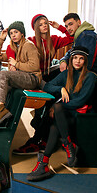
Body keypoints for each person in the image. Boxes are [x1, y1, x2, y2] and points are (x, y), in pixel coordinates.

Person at [27, 46, 97, 181]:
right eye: (75, 58)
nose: (77, 61)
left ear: (85, 61)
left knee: (58, 109)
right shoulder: (67, 74)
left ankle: (47, 161)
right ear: (71, 59)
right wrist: (61, 89)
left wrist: (57, 107)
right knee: (55, 124)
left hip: (80, 115)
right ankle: (51, 158)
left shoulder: (90, 77)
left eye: (81, 58)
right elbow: (47, 86)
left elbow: (80, 101)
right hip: (64, 115)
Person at [12, 14, 74, 155]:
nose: (44, 26)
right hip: (37, 76)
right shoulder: (31, 41)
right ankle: (40, 133)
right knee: (43, 105)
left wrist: (60, 27)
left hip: (48, 75)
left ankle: (42, 136)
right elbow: (15, 48)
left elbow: (71, 38)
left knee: (49, 101)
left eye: (45, 23)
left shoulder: (54, 39)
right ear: (35, 28)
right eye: (40, 24)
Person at [0, 21, 41, 129]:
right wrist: (1, 39)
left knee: (3, 74)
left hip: (32, 78)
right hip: (21, 77)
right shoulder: (15, 48)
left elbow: (35, 66)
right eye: (11, 33)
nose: (13, 35)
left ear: (22, 34)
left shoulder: (29, 45)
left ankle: (0, 109)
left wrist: (17, 64)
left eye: (16, 32)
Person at [59, 13, 97, 77]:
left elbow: (86, 64)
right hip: (87, 76)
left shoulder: (87, 36)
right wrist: (63, 60)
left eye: (71, 24)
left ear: (79, 22)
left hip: (92, 77)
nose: (68, 28)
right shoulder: (80, 35)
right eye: (66, 26)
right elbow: (71, 52)